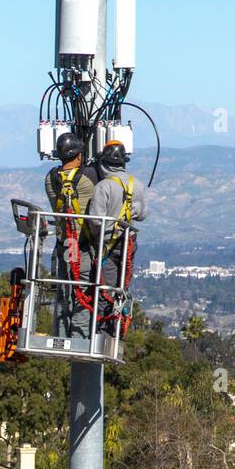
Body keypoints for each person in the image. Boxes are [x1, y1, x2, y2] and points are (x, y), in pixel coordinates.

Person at [84, 140, 148, 337]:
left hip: (108, 246)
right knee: (122, 286)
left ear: (104, 164)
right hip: (128, 244)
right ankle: (117, 329)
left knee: (106, 290)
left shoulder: (103, 187)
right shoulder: (136, 184)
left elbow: (96, 222)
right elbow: (143, 214)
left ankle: (103, 334)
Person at [43, 134, 96, 338]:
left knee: (64, 295)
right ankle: (78, 340)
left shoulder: (50, 179)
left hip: (63, 244)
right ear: (79, 156)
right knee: (82, 295)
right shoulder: (88, 177)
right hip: (82, 246)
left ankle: (61, 337)